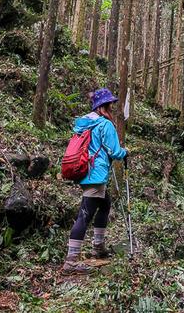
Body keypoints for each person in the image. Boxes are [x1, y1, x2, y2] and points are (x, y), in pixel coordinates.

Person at [63, 87, 128, 274]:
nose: (112, 107)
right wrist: (126, 152)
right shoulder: (105, 125)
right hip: (95, 174)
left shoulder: (86, 123)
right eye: (110, 104)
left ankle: (98, 246)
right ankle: (72, 260)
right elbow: (115, 152)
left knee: (105, 204)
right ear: (104, 106)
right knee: (85, 213)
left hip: (86, 171)